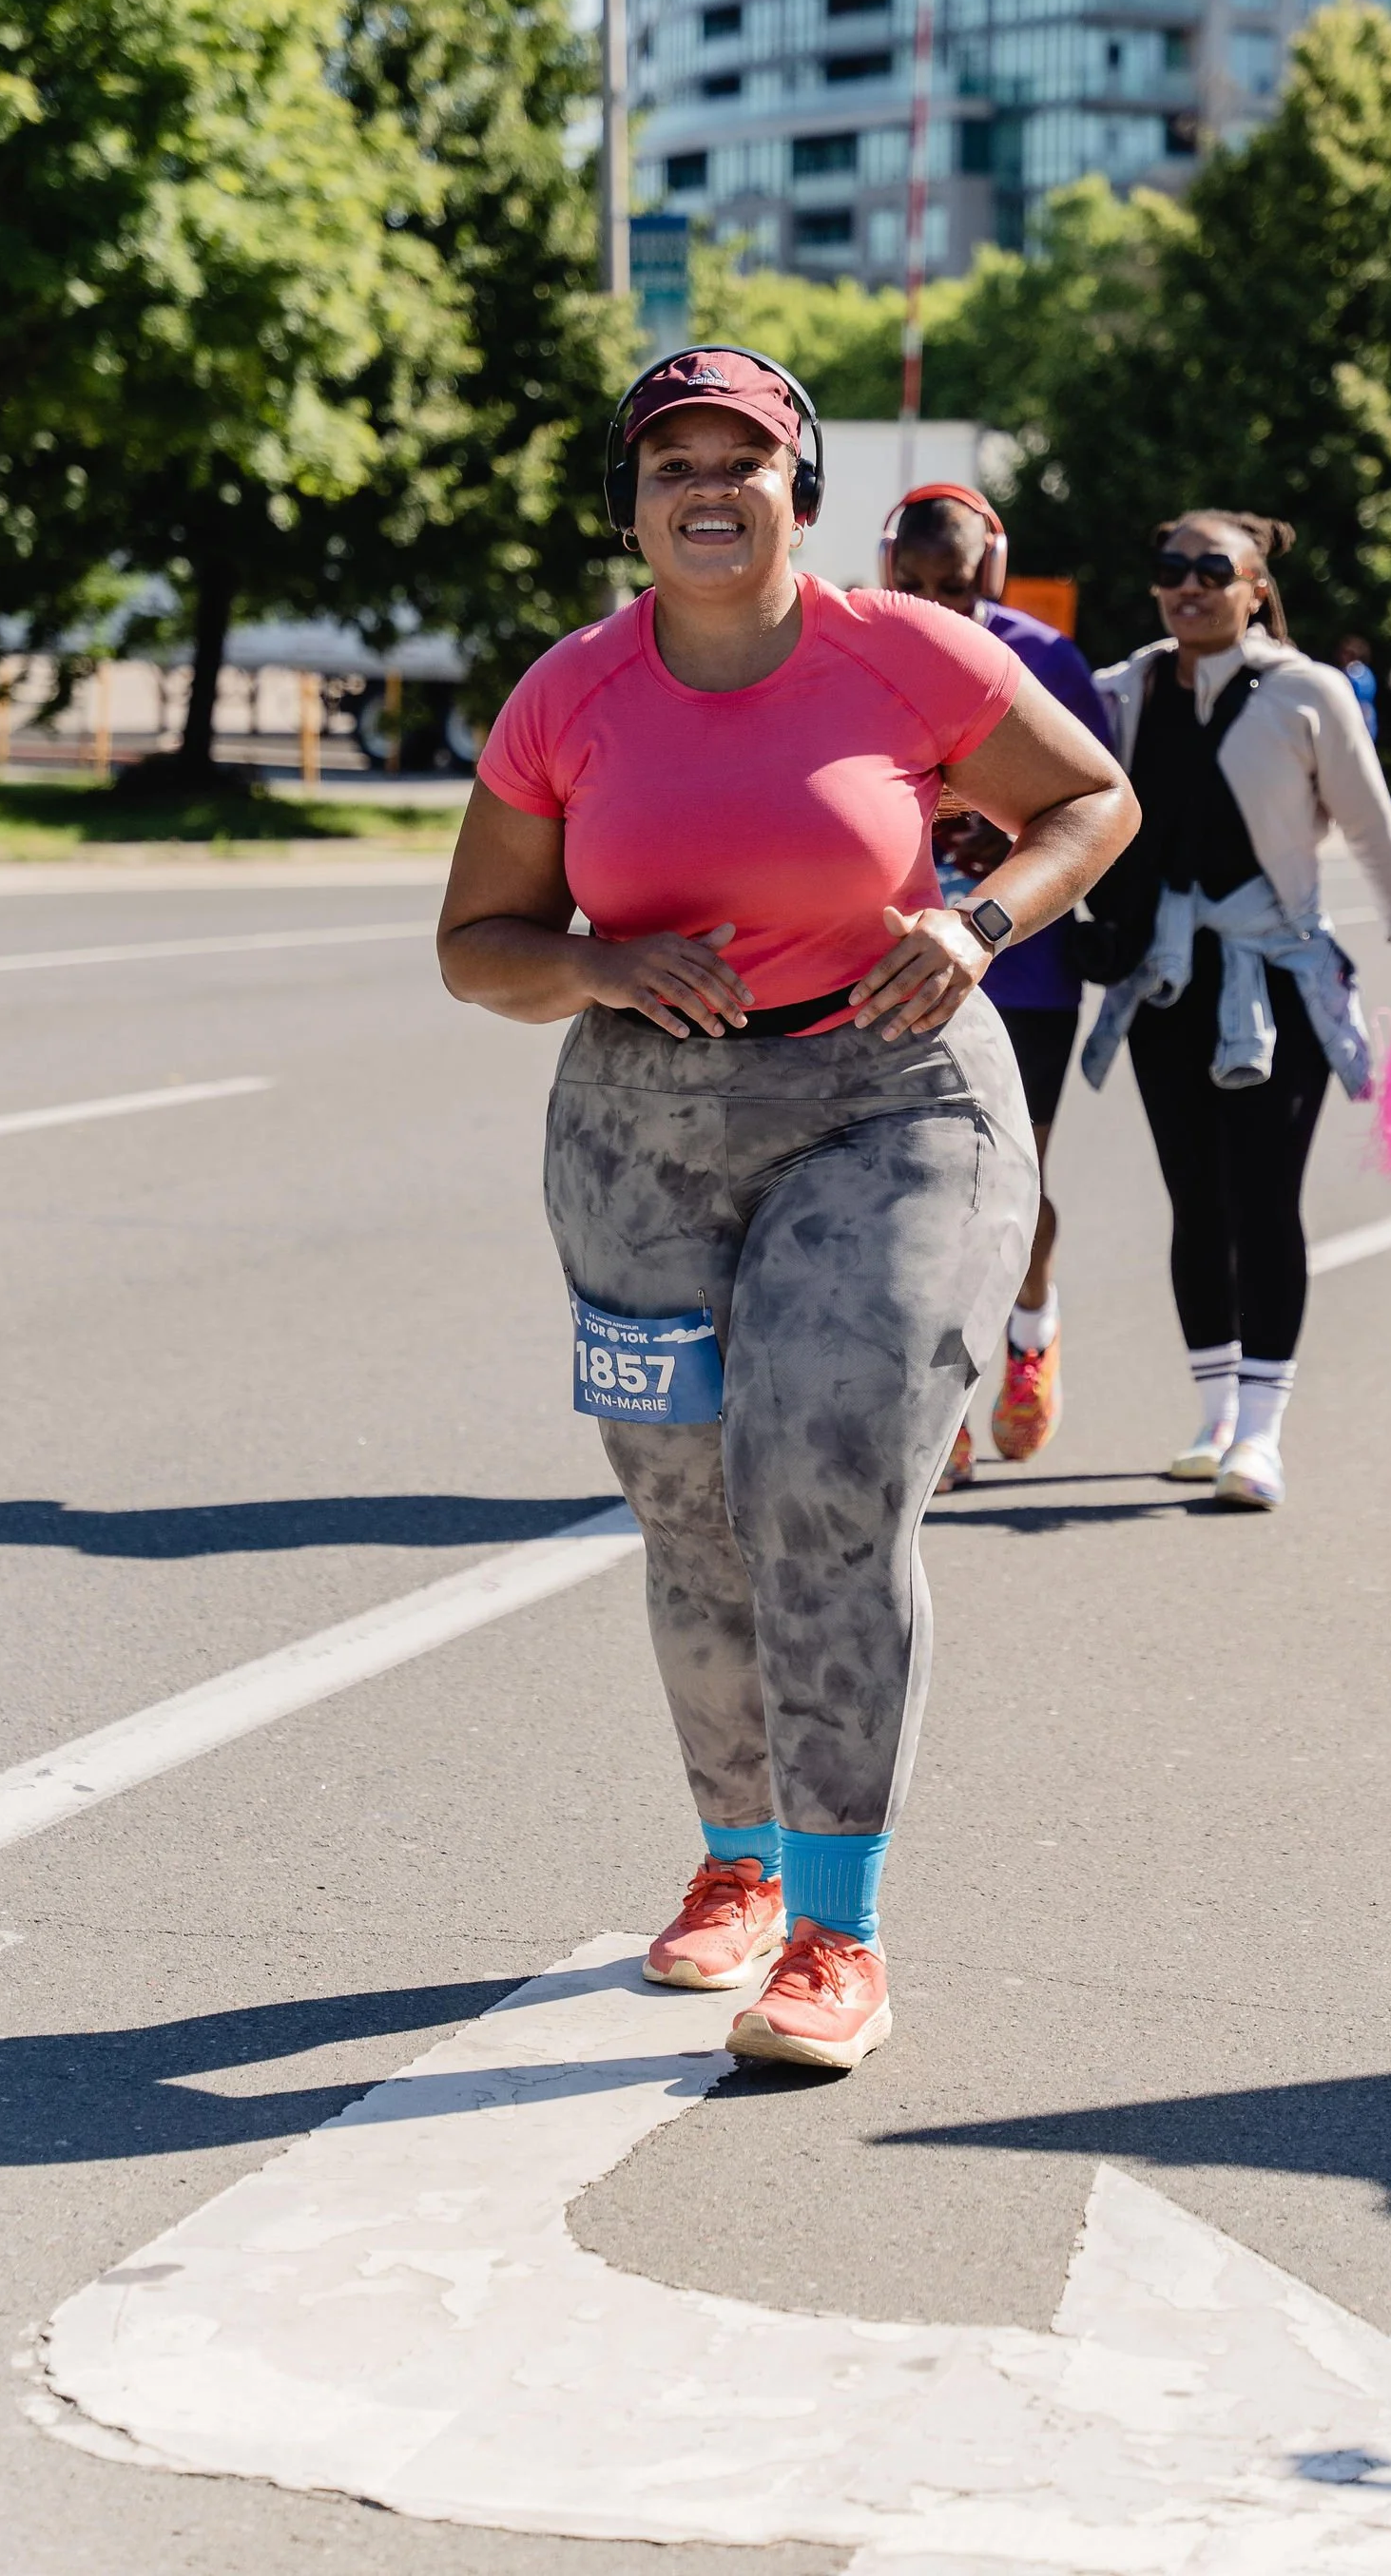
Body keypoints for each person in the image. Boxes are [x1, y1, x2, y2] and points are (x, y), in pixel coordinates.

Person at [437, 349, 1132, 2072]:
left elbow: (1091, 802)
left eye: (741, 456)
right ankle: (736, 1861)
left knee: (818, 1479)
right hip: (639, 1126)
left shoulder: (903, 652)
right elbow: (477, 947)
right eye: (671, 456)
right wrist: (597, 961)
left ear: (797, 490)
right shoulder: (571, 692)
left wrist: (979, 921)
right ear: (633, 502)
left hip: (888, 1096)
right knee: (686, 1504)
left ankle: (840, 1931)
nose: (706, 481)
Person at [1081, 510, 1391, 1511]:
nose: (1189, 586)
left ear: (1257, 587)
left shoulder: (1307, 693)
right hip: (1166, 984)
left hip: (1278, 979)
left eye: (1214, 570)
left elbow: (1375, 831)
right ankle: (1213, 1416)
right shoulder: (1124, 690)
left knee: (1262, 1201)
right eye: (1172, 569)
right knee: (1194, 1203)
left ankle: (1262, 1433)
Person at [883, 484, 1112, 1480]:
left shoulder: (1047, 659)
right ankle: (945, 1402)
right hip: (896, 957)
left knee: (1016, 1184)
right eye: (916, 585)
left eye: (958, 589)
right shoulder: (856, 641)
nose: (937, 607)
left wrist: (1010, 832)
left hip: (1029, 968)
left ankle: (1031, 1334)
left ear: (995, 573)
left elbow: (1099, 806)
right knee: (914, 1193)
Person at [1335, 634, 1380, 744]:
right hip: (1369, 720)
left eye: (1345, 653)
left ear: (1353, 655)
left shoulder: (1352, 673)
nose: (1341, 656)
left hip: (1355, 722)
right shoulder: (1368, 673)